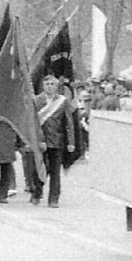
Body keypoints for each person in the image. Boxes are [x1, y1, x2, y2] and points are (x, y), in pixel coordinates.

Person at [31, 74, 75, 208]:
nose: (49, 87)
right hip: (40, 141)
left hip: (57, 140)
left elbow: (68, 122)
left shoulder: (63, 101)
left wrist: (71, 142)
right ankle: (37, 192)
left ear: (57, 87)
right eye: (47, 84)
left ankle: (54, 198)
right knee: (39, 169)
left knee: (55, 171)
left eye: (52, 84)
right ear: (43, 86)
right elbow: (33, 122)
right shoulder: (36, 101)